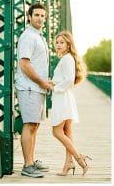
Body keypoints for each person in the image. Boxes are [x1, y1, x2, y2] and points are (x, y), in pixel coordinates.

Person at [49, 31, 92, 176]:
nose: (58, 45)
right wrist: (53, 82)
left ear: (68, 45)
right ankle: (68, 163)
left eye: (62, 42)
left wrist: (54, 87)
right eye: (57, 42)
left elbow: (68, 80)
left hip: (62, 98)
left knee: (56, 131)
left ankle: (80, 158)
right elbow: (64, 78)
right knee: (67, 131)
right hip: (65, 97)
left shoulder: (67, 59)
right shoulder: (67, 58)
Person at [16, 2, 50, 178]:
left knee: (34, 125)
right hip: (29, 88)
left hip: (37, 88)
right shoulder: (28, 36)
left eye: (43, 16)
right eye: (36, 15)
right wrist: (41, 81)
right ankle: (27, 165)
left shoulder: (38, 36)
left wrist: (44, 82)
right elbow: (24, 64)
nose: (40, 18)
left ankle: (31, 159)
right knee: (29, 124)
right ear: (29, 17)